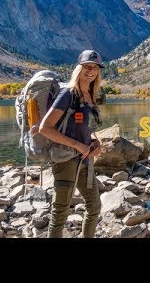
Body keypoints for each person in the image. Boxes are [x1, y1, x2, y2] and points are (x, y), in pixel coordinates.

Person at [39, 50, 105, 238]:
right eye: (87, 66)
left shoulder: (91, 95)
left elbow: (86, 128)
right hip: (65, 160)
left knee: (94, 207)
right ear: (79, 68)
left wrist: (94, 141)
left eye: (95, 67)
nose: (91, 71)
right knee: (60, 212)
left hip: (85, 160)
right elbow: (46, 128)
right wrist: (77, 145)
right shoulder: (67, 94)